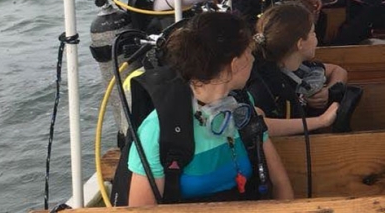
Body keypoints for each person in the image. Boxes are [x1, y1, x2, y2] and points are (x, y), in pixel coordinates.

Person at [124, 12, 294, 205]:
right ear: (235, 64)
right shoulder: (159, 130)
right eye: (249, 52)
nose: (253, 59)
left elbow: (280, 182)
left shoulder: (243, 105)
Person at [247, 3, 351, 136]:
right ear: (300, 44)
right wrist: (321, 121)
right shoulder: (263, 83)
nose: (316, 38)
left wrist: (328, 91)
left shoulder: (302, 66)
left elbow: (339, 71)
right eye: (313, 33)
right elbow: (256, 124)